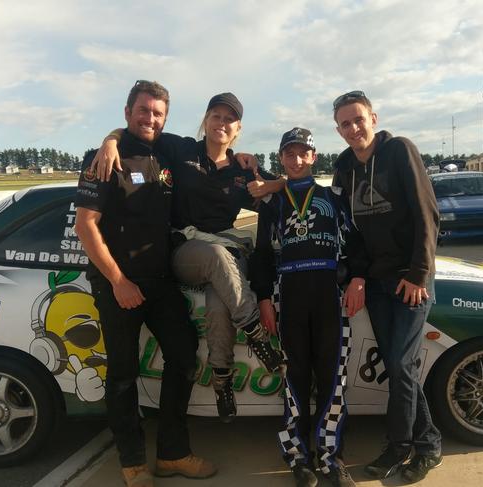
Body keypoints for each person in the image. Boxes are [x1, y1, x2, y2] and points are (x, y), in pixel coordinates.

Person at [92, 92, 286, 424]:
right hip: (186, 250)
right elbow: (139, 129)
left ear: (237, 129)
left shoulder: (242, 170)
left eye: (229, 119)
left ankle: (222, 379)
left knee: (218, 304)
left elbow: (287, 188)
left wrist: (274, 181)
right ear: (205, 120)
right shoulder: (181, 150)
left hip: (224, 253)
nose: (221, 123)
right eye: (216, 116)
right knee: (215, 257)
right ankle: (256, 333)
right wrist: (110, 141)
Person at [75, 80, 216, 487]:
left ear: (165, 118)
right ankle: (133, 463)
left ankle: (173, 453)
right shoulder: (103, 158)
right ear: (127, 112)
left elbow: (210, 148)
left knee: (185, 357)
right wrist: (118, 281)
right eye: (143, 110)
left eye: (157, 112)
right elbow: (86, 226)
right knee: (122, 374)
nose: (150, 118)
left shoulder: (167, 150)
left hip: (160, 281)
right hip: (117, 285)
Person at [331, 91, 442, 483]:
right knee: (401, 368)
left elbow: (427, 214)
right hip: (376, 282)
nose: (353, 128)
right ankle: (428, 444)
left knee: (399, 365)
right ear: (338, 129)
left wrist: (417, 273)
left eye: (358, 119)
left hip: (410, 280)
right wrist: (358, 274)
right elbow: (352, 231)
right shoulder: (345, 166)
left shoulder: (399, 151)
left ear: (372, 118)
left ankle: (400, 447)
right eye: (345, 123)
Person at [250, 127, 366, 487]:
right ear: (281, 158)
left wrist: (358, 278)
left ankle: (332, 457)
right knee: (293, 377)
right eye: (290, 154)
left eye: (304, 153)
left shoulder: (333, 196)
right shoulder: (273, 202)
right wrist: (264, 298)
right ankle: (298, 456)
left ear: (314, 157)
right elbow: (263, 255)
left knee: (333, 378)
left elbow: (356, 243)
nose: (297, 160)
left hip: (329, 296)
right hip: (289, 296)